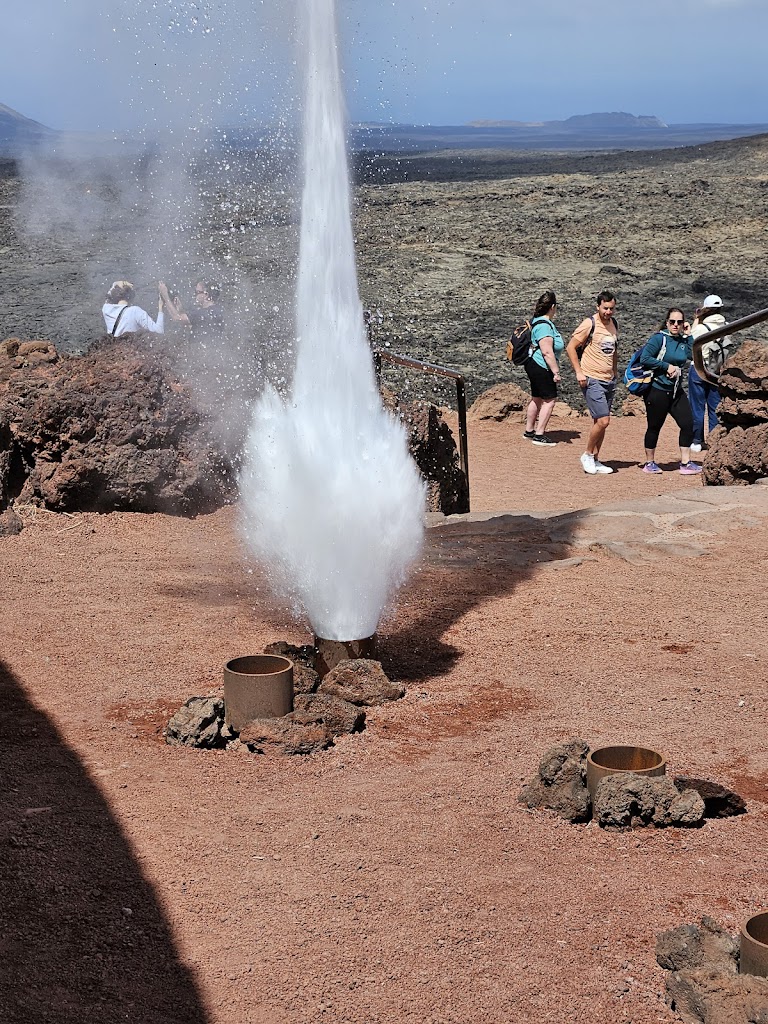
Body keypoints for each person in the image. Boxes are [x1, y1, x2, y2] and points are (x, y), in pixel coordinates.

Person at [638, 307, 701, 475]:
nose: (675, 325)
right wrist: (666, 366)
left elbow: (693, 356)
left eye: (679, 322)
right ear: (667, 322)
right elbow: (645, 358)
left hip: (675, 392)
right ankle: (649, 462)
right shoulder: (659, 339)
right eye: (672, 321)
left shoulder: (682, 339)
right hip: (657, 390)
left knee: (688, 424)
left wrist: (688, 336)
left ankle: (686, 463)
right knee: (654, 427)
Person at [566, 290, 619, 474]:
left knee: (599, 421)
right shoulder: (590, 323)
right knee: (604, 420)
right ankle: (587, 454)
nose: (608, 312)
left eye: (611, 308)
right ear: (598, 307)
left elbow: (614, 350)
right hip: (591, 377)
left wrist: (614, 372)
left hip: (608, 380)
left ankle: (596, 459)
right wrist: (579, 372)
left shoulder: (613, 324)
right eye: (605, 308)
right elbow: (571, 347)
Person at [688, 294, 729, 453]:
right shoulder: (727, 326)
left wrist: (697, 318)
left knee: (697, 407)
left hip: (698, 370)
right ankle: (714, 440)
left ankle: (697, 440)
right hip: (716, 371)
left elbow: (690, 341)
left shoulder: (700, 328)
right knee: (714, 407)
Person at [522, 290, 564, 446]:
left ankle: (529, 430)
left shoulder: (536, 321)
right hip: (541, 366)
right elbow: (547, 351)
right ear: (552, 306)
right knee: (550, 400)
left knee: (537, 397)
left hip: (533, 364)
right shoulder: (545, 326)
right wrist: (556, 372)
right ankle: (539, 435)